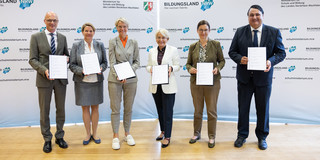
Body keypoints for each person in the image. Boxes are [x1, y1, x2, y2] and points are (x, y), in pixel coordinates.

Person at [228, 5, 286, 150]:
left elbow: (281, 53)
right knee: (243, 109)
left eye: (257, 15)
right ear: (248, 17)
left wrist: (270, 61)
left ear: (262, 16)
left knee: (263, 109)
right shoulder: (240, 31)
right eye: (251, 15)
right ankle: (242, 135)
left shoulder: (273, 32)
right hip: (244, 79)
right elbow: (232, 52)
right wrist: (240, 59)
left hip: (263, 80)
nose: (254, 18)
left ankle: (262, 137)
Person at [29, 11, 69, 153]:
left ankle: (59, 136)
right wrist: (44, 70)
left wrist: (67, 59)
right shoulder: (36, 37)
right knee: (44, 111)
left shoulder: (63, 38)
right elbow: (32, 59)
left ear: (58, 22)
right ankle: (47, 139)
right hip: (44, 79)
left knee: (61, 110)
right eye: (49, 20)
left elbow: (67, 55)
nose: (52, 23)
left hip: (60, 80)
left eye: (55, 20)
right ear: (44, 21)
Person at [186, 20, 225, 148]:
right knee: (197, 110)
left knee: (211, 111)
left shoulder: (216, 44)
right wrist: (190, 69)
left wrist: (217, 69)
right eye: (201, 30)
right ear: (197, 31)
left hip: (212, 83)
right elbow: (188, 63)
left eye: (205, 30)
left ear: (209, 31)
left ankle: (212, 136)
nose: (203, 32)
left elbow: (222, 61)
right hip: (196, 83)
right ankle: (196, 134)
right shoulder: (193, 46)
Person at [69, 23, 108, 145]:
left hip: (96, 81)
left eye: (91, 31)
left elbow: (105, 63)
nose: (88, 33)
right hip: (82, 82)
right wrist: (82, 71)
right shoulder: (76, 45)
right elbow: (72, 65)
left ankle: (95, 133)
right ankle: (87, 134)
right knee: (85, 108)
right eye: (86, 30)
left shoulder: (99, 45)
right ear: (82, 32)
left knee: (95, 107)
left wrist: (101, 68)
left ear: (94, 32)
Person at [108, 17, 140, 150]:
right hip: (115, 79)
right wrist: (119, 75)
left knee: (128, 108)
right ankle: (115, 135)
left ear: (128, 28)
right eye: (120, 26)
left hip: (131, 79)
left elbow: (137, 61)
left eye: (124, 26)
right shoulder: (112, 41)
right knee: (115, 109)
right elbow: (112, 62)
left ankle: (127, 133)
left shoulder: (134, 42)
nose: (122, 29)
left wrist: (127, 73)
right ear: (117, 28)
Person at [146, 29, 180, 148]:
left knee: (168, 111)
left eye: (163, 37)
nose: (161, 40)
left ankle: (168, 137)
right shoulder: (151, 51)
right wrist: (150, 69)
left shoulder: (173, 50)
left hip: (168, 85)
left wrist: (171, 68)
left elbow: (178, 66)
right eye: (159, 37)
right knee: (160, 110)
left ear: (167, 39)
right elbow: (148, 65)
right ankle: (163, 131)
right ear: (156, 39)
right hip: (156, 85)